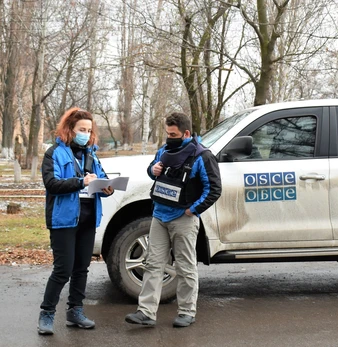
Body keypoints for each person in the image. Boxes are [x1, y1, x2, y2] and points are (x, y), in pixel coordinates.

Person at [125, 112, 222, 328]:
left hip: (183, 219)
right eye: (167, 133)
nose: (169, 137)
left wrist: (193, 210)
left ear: (186, 133)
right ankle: (146, 313)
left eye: (173, 134)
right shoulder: (164, 150)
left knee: (185, 266)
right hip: (159, 216)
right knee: (152, 264)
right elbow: (152, 171)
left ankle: (187, 311)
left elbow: (214, 189)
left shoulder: (202, 156)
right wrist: (153, 169)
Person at [37, 107, 114, 335]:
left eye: (89, 130)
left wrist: (107, 187)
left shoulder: (91, 154)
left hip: (88, 219)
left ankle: (75, 311)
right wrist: (81, 182)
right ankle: (47, 314)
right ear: (70, 128)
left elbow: (99, 179)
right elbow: (52, 184)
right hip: (63, 220)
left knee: (81, 268)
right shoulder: (54, 153)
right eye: (82, 129)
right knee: (63, 269)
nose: (86, 134)